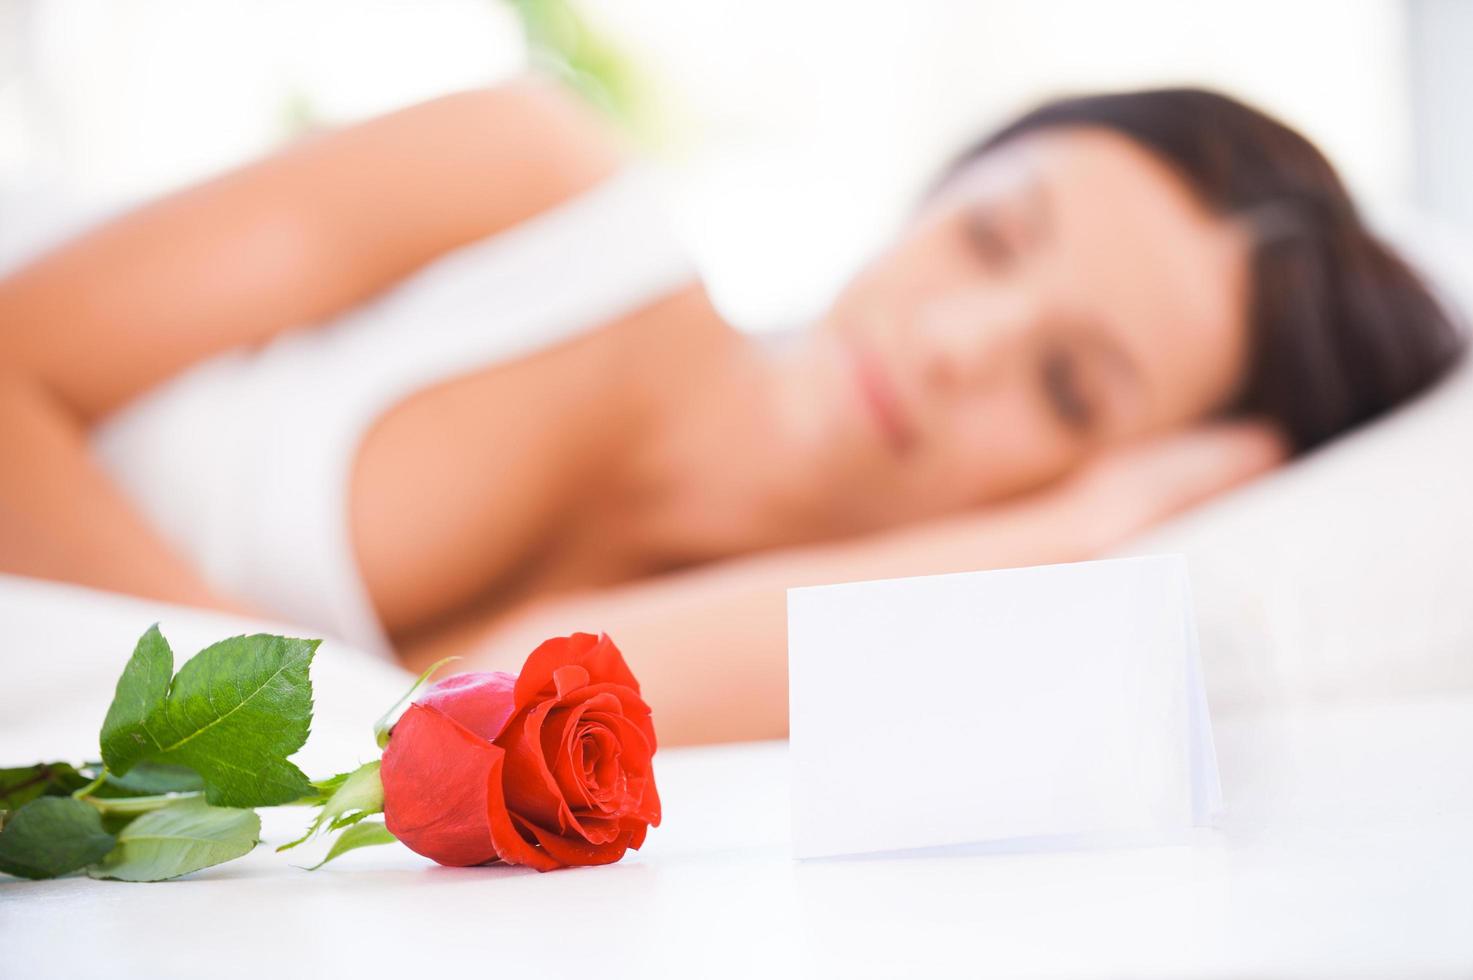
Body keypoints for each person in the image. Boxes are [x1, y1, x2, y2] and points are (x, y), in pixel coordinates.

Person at [0, 77, 1462, 745]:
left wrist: (1081, 530)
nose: (959, 343)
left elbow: (466, 721)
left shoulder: (781, 662)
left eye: (1067, 384)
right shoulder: (527, 185)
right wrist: (243, 710)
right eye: (990, 238)